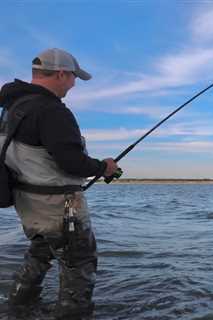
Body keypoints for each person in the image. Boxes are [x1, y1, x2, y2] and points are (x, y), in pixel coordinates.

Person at [0, 48, 118, 318]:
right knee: (80, 264)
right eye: (73, 77)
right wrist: (104, 167)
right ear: (61, 73)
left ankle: (17, 308)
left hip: (29, 205)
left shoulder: (11, 109)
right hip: (58, 207)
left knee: (39, 253)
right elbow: (72, 163)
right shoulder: (51, 110)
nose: (74, 84)